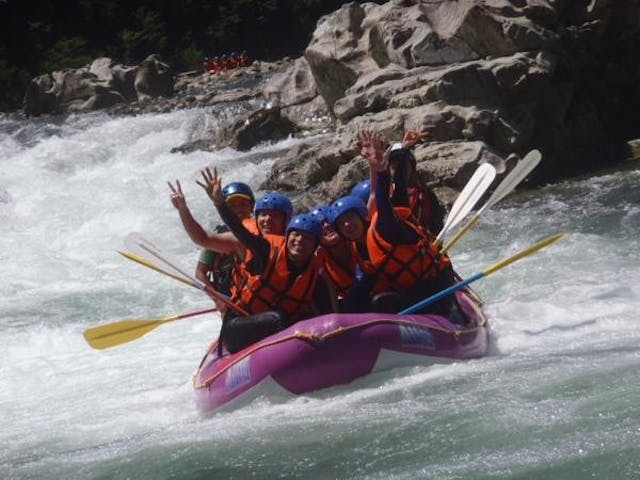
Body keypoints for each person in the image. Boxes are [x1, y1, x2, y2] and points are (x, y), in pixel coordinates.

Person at [198, 167, 337, 353]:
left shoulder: (305, 254)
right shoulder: (257, 245)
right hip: (242, 316)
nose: (268, 220)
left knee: (292, 313)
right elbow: (224, 234)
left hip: (277, 314)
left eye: (243, 205)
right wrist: (218, 204)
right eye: (233, 206)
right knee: (277, 318)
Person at [329, 131, 458, 316]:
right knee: (358, 299)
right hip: (408, 286)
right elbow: (387, 191)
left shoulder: (384, 226)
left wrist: (381, 171)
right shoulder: (355, 248)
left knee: (383, 302)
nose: (348, 226)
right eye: (342, 224)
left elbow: (381, 196)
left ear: (363, 216)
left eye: (350, 219)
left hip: (435, 284)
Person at [195, 182, 254, 297]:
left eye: (243, 204)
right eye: (233, 206)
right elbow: (200, 273)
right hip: (229, 301)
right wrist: (218, 300)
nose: (239, 209)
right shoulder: (218, 236)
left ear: (251, 207)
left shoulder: (262, 229)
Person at [311, 204, 356, 300]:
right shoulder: (318, 263)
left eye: (329, 221)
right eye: (321, 225)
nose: (326, 226)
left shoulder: (357, 241)